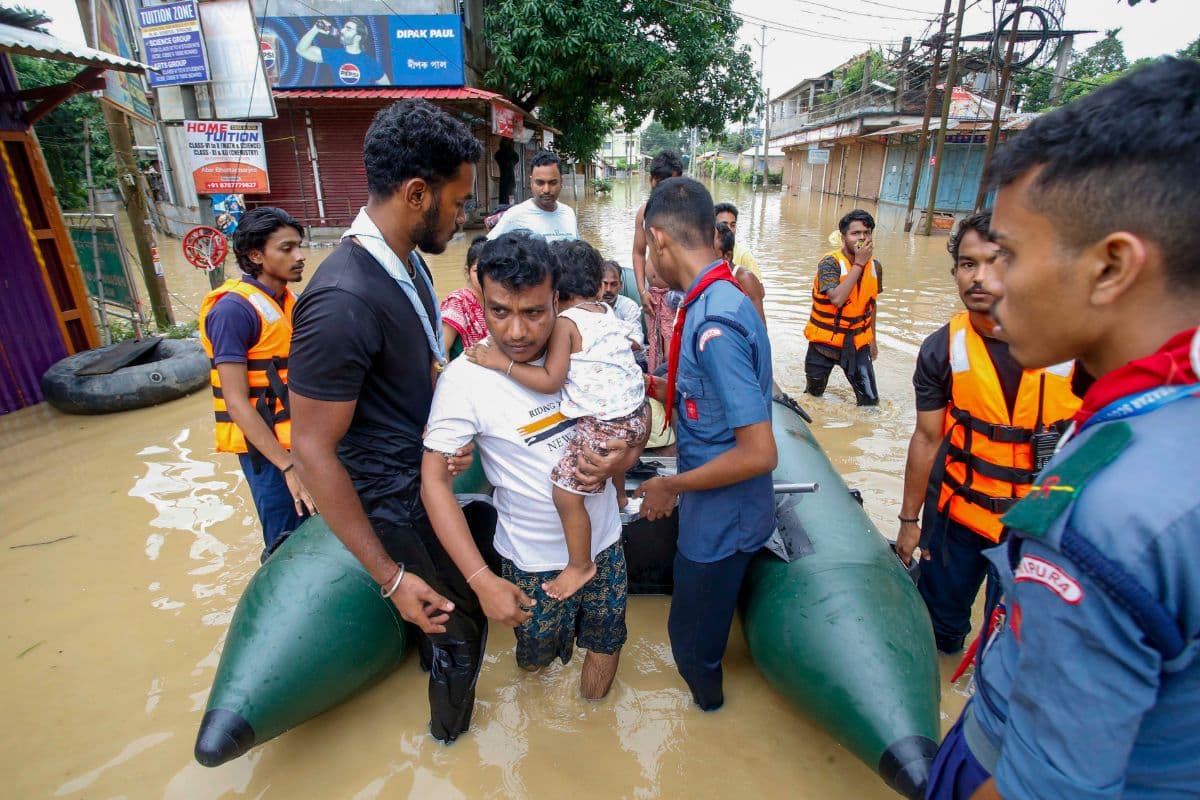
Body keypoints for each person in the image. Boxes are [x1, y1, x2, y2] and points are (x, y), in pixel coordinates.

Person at [926, 58, 1200, 800]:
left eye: (1008, 254)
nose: (990, 283)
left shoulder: (1105, 516)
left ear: (1111, 268)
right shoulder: (1167, 414)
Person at [287, 100, 481, 744]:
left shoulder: (409, 265)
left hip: (422, 479)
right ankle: (450, 747)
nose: (463, 217)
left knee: (448, 625)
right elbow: (313, 451)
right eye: (457, 203)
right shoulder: (342, 299)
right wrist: (391, 577)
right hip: (390, 503)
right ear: (417, 193)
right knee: (461, 626)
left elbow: (421, 365)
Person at [421, 231, 646, 700]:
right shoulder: (466, 378)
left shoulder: (588, 350)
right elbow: (434, 484)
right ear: (480, 299)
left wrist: (624, 456)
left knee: (607, 642)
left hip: (604, 543)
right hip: (531, 564)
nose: (516, 332)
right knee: (535, 660)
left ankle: (591, 724)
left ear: (557, 300)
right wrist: (482, 581)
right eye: (499, 311)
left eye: (534, 313)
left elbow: (634, 418)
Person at [893, 212, 1080, 655]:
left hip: (1037, 527)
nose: (979, 277)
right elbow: (926, 437)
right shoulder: (942, 348)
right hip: (957, 517)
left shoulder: (1075, 344)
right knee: (941, 631)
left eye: (996, 262)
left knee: (1012, 642)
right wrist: (908, 522)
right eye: (967, 264)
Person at [634, 177, 777, 711]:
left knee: (692, 648)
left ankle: (709, 718)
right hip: (715, 509)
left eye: (647, 247)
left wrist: (667, 484)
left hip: (721, 521)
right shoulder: (712, 298)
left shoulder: (713, 322)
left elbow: (761, 452)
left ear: (660, 239)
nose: (647, 258)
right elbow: (709, 395)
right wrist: (647, 383)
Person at [466, 238, 647, 600]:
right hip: (636, 414)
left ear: (555, 295)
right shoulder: (606, 313)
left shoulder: (566, 323)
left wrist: (503, 363)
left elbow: (550, 381)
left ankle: (580, 564)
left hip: (607, 422)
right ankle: (619, 501)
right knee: (606, 458)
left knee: (565, 495)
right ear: (598, 286)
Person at [198, 207, 316, 559]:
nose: (299, 257)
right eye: (286, 248)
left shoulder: (291, 303)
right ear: (255, 255)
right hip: (268, 454)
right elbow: (236, 402)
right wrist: (288, 466)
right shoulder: (232, 311)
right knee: (286, 542)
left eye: (299, 246)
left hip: (303, 441)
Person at [803, 208, 881, 406]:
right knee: (813, 398)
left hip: (857, 344)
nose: (862, 238)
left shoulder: (875, 266)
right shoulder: (829, 264)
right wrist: (859, 264)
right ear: (844, 237)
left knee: (870, 403)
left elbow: (871, 304)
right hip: (824, 346)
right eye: (855, 233)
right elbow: (837, 299)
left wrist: (873, 338)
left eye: (867, 233)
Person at [633, 152, 685, 374]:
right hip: (652, 295)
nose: (664, 188)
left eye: (671, 182)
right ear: (652, 180)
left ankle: (674, 396)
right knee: (654, 347)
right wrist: (642, 290)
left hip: (677, 296)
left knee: (674, 349)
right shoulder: (645, 212)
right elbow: (637, 252)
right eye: (660, 182)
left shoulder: (686, 213)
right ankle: (657, 391)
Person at [486, 151, 577, 242]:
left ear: (561, 182)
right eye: (540, 183)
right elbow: (484, 249)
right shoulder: (514, 215)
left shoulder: (568, 213)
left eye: (552, 183)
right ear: (531, 182)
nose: (546, 190)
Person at [296, 17, 389, 86]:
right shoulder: (334, 55)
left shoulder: (369, 62)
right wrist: (315, 29)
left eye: (348, 29)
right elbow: (301, 50)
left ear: (357, 38)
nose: (342, 30)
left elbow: (387, 87)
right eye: (344, 27)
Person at [440, 235, 489, 356]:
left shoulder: (497, 301)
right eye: (478, 271)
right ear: (467, 271)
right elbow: (442, 349)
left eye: (490, 270)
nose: (484, 277)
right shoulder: (457, 302)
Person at [715, 220, 765, 322]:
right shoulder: (706, 277)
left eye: (710, 254)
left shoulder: (745, 279)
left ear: (727, 256)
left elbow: (760, 327)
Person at [599, 260, 646, 352]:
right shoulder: (591, 305)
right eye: (605, 283)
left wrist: (606, 340)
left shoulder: (629, 306)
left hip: (632, 357)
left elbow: (637, 342)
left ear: (621, 285)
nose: (608, 289)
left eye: (613, 284)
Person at [713, 202, 761, 279]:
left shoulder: (744, 256)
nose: (729, 229)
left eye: (733, 225)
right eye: (724, 224)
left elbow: (759, 289)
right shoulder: (706, 252)